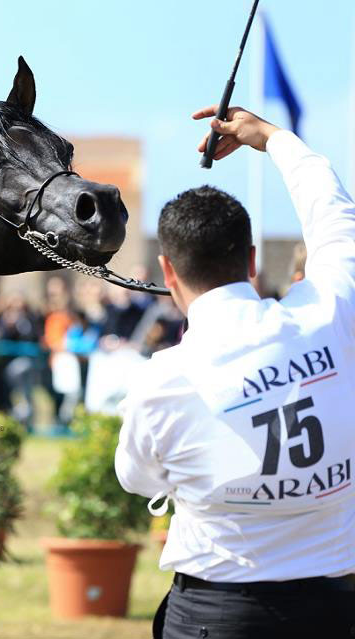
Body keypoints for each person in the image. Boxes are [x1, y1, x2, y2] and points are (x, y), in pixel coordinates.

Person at [115, 105, 355, 638]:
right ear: (251, 260)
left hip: (218, 615)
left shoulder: (164, 380)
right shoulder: (329, 315)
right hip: (336, 609)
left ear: (167, 271)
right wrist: (269, 138)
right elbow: (333, 212)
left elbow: (136, 478)